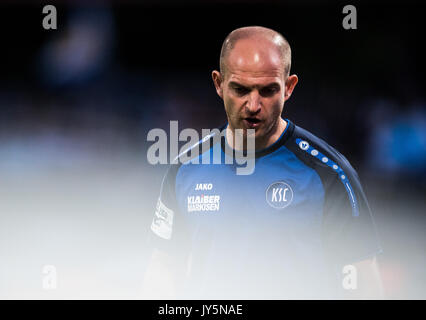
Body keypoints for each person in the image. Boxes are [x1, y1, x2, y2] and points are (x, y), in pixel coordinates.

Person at [142, 26, 383, 299]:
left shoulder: (328, 174)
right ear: (218, 84)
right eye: (240, 89)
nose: (253, 105)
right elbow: (163, 267)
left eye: (268, 91)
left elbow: (362, 282)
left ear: (289, 87)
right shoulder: (185, 168)